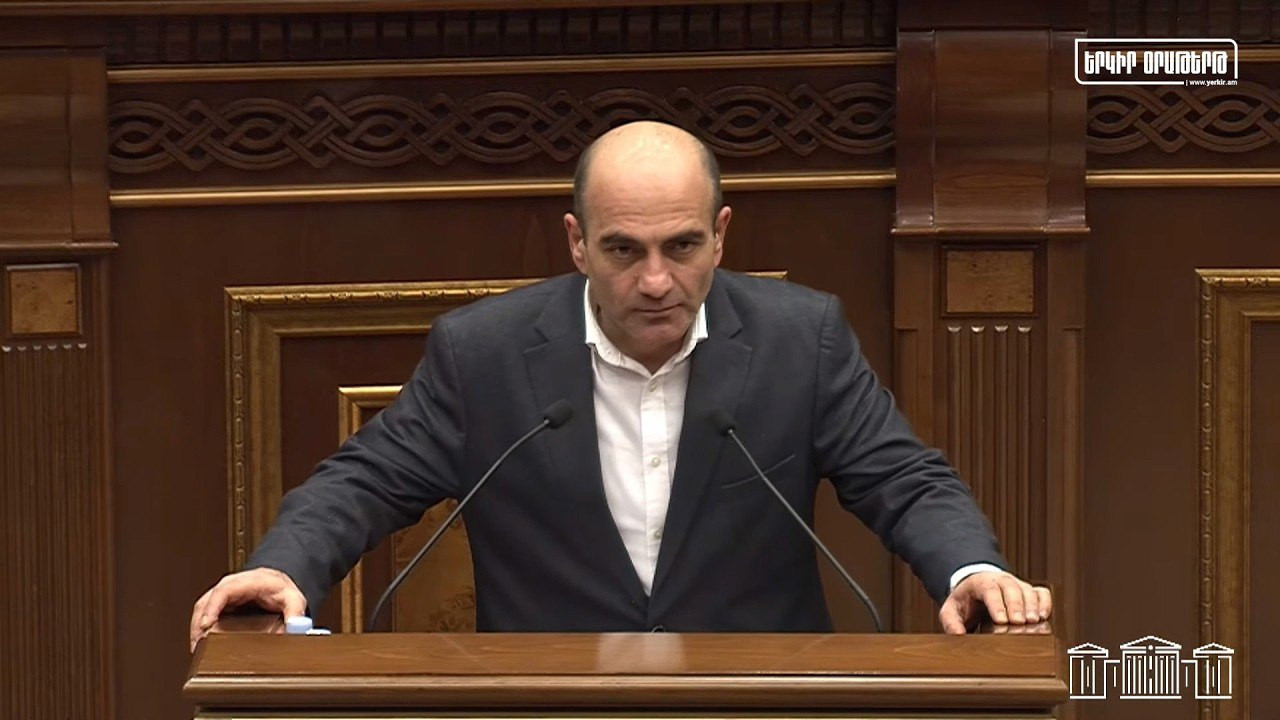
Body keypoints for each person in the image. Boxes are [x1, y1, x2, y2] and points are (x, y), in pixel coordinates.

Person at [189, 121, 1051, 650]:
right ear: (577, 242)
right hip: (551, 701)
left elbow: (904, 479)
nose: (655, 281)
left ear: (720, 234)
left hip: (757, 698)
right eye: (623, 250)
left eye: (682, 246)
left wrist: (969, 569)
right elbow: (364, 482)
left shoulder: (801, 339)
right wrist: (281, 568)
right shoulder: (484, 354)